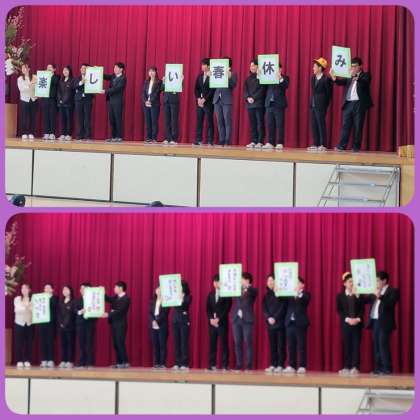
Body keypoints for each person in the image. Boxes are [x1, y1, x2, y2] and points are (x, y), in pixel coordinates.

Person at [330, 57, 373, 152]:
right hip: (348, 104)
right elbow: (341, 82)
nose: (353, 68)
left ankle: (356, 147)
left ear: (360, 66)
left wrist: (356, 77)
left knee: (358, 126)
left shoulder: (366, 75)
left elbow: (365, 83)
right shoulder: (349, 76)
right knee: (345, 125)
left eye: (355, 66)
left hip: (359, 104)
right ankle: (341, 146)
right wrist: (334, 77)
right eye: (352, 66)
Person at [366, 271, 400, 375]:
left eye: (377, 280)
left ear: (384, 281)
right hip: (375, 321)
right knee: (376, 345)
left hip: (385, 323)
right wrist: (357, 293)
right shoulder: (375, 291)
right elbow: (366, 300)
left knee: (383, 345)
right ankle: (378, 368)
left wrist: (380, 296)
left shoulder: (393, 291)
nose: (376, 283)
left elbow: (391, 303)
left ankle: (387, 368)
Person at [336, 272, 365, 375]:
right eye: (349, 281)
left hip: (357, 324)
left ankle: (355, 367)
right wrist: (347, 319)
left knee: (356, 345)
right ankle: (346, 366)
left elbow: (362, 309)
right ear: (344, 283)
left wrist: (357, 319)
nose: (352, 283)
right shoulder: (340, 296)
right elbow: (339, 310)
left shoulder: (359, 295)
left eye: (353, 281)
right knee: (347, 345)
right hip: (346, 324)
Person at [231, 272, 258, 371]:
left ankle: (249, 365)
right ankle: (239, 364)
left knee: (248, 342)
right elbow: (227, 291)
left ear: (247, 280)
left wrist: (247, 286)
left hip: (247, 319)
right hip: (236, 318)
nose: (240, 281)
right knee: (237, 342)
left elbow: (254, 292)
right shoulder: (237, 289)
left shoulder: (252, 290)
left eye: (241, 279)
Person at [284, 277, 311, 374]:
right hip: (290, 323)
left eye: (298, 283)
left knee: (301, 345)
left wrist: (298, 293)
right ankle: (292, 365)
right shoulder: (290, 294)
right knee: (291, 345)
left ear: (302, 285)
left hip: (300, 323)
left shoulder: (306, 294)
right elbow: (281, 299)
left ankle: (302, 366)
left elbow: (306, 300)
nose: (296, 284)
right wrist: (278, 290)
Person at [262, 273, 288, 372]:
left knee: (281, 345)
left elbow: (283, 307)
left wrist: (275, 318)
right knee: (272, 345)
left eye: (271, 280)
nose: (269, 282)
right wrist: (269, 317)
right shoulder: (266, 295)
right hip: (270, 323)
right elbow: (264, 308)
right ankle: (273, 364)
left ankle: (280, 364)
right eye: (268, 280)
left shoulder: (282, 294)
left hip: (280, 322)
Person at [206, 274, 232, 370]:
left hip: (222, 322)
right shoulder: (210, 294)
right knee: (212, 343)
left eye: (218, 281)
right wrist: (211, 319)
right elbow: (208, 308)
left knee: (224, 343)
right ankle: (212, 364)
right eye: (214, 281)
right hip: (212, 323)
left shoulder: (226, 294)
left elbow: (227, 308)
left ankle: (225, 364)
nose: (216, 283)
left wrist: (219, 319)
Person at [103, 281, 131, 368]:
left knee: (120, 342)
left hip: (121, 324)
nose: (114, 289)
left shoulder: (126, 298)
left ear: (120, 288)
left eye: (115, 287)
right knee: (115, 343)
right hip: (114, 323)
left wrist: (109, 314)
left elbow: (120, 311)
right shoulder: (116, 297)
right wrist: (102, 292)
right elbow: (108, 299)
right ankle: (119, 363)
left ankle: (125, 362)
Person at [307, 58, 332, 152]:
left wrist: (325, 105)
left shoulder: (326, 79)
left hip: (321, 105)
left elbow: (329, 94)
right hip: (313, 104)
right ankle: (315, 143)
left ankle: (323, 144)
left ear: (320, 68)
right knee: (314, 124)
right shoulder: (313, 78)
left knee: (321, 124)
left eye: (315, 66)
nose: (313, 68)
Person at [263, 64, 289, 150]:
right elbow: (262, 85)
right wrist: (260, 75)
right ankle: (271, 142)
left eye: (277, 68)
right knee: (270, 124)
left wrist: (280, 77)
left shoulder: (285, 78)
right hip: (269, 104)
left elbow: (286, 85)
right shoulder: (269, 77)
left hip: (279, 104)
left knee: (279, 124)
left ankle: (280, 142)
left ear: (280, 69)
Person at [213, 57, 237, 146]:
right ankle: (221, 139)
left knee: (227, 120)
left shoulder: (233, 73)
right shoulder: (218, 71)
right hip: (217, 99)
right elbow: (213, 84)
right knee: (219, 121)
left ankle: (227, 140)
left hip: (227, 99)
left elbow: (233, 85)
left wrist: (228, 77)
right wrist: (211, 76)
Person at [244, 59, 266, 149]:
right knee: (253, 124)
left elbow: (262, 90)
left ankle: (260, 141)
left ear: (258, 66)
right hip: (250, 104)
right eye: (251, 66)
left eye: (253, 65)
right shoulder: (248, 79)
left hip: (259, 103)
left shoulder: (262, 77)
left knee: (260, 123)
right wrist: (248, 97)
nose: (252, 67)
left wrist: (254, 98)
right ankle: (254, 140)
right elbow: (245, 90)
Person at [74, 282, 97, 368]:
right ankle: (81, 363)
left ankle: (90, 363)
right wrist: (80, 311)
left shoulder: (93, 300)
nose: (81, 290)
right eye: (81, 288)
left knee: (90, 344)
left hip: (90, 324)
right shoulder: (77, 300)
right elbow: (74, 310)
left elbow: (97, 311)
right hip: (80, 324)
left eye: (83, 288)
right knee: (81, 344)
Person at [103, 62, 127, 142]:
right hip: (110, 101)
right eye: (114, 68)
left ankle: (119, 136)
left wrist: (105, 91)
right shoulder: (113, 76)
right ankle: (113, 136)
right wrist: (96, 70)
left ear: (121, 69)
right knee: (111, 119)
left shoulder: (123, 78)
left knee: (117, 119)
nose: (114, 69)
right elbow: (104, 76)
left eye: (116, 68)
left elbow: (116, 89)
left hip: (118, 101)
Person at [194, 58, 215, 146]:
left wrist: (205, 99)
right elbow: (196, 89)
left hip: (208, 102)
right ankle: (198, 139)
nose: (202, 66)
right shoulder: (199, 76)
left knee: (209, 121)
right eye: (202, 65)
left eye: (204, 65)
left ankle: (210, 140)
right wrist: (198, 98)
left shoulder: (212, 76)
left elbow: (212, 89)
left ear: (208, 66)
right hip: (200, 103)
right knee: (199, 121)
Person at [172, 280, 192, 370]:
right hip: (175, 320)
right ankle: (177, 362)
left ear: (183, 287)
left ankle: (184, 363)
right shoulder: (174, 296)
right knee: (177, 342)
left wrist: (180, 298)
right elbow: (175, 306)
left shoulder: (188, 296)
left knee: (184, 342)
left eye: (180, 286)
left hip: (184, 321)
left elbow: (184, 305)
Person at [149, 286, 169, 368]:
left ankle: (162, 363)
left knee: (162, 345)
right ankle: (156, 363)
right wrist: (153, 321)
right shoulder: (152, 301)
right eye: (157, 289)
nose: (158, 290)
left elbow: (165, 313)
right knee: (155, 344)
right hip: (153, 324)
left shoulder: (166, 301)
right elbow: (150, 313)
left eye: (160, 289)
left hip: (162, 324)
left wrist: (157, 321)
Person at [14, 283, 33, 368]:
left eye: (26, 288)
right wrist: (26, 307)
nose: (24, 290)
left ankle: (27, 360)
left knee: (29, 342)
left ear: (29, 290)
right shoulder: (17, 298)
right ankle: (19, 360)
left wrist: (28, 308)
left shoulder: (32, 299)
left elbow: (34, 310)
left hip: (29, 323)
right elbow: (17, 310)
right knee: (19, 342)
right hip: (19, 323)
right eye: (22, 288)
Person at [39, 282, 58, 368]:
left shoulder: (55, 298)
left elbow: (54, 306)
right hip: (42, 322)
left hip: (51, 323)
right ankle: (44, 359)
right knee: (43, 341)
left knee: (50, 341)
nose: (46, 289)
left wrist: (47, 298)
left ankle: (50, 360)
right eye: (45, 288)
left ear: (52, 290)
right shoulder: (40, 298)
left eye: (48, 288)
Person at [73, 63, 94, 142]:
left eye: (84, 68)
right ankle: (79, 135)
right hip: (79, 100)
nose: (83, 69)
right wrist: (81, 82)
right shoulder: (77, 78)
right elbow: (74, 86)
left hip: (88, 99)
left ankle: (88, 136)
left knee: (87, 118)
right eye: (81, 68)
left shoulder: (91, 77)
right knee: (79, 118)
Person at [17, 63, 37, 141]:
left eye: (25, 68)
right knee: (24, 117)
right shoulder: (20, 78)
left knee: (33, 116)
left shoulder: (34, 77)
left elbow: (37, 87)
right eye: (22, 68)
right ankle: (24, 133)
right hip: (24, 99)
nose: (23, 69)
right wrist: (30, 84)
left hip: (33, 99)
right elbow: (22, 89)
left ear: (29, 69)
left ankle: (31, 132)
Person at [57, 285, 76, 368]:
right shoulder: (61, 301)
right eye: (63, 290)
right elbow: (58, 313)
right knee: (63, 344)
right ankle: (63, 360)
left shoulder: (73, 301)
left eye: (66, 289)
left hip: (70, 327)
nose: (64, 291)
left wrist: (65, 323)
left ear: (70, 291)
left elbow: (71, 314)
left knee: (70, 344)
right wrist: (61, 323)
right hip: (61, 327)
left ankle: (70, 361)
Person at [143, 66, 162, 143]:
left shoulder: (159, 82)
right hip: (146, 104)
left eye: (153, 71)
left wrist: (150, 101)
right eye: (150, 71)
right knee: (148, 121)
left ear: (156, 72)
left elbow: (157, 92)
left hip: (154, 104)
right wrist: (145, 101)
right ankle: (148, 137)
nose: (151, 73)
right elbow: (143, 93)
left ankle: (154, 138)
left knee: (154, 121)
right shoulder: (146, 81)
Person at [41, 63, 60, 141]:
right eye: (47, 67)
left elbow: (54, 82)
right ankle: (46, 133)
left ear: (54, 69)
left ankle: (52, 133)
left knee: (52, 116)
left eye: (50, 67)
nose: (48, 68)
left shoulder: (57, 77)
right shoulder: (43, 77)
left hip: (53, 99)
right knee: (46, 116)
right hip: (45, 99)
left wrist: (48, 76)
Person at [162, 72, 183, 145]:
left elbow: (180, 88)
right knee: (167, 120)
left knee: (174, 120)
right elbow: (162, 89)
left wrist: (181, 80)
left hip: (174, 100)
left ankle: (174, 138)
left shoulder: (177, 77)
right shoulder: (166, 77)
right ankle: (167, 137)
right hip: (166, 100)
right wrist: (163, 82)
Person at [57, 65, 75, 142]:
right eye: (64, 70)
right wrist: (60, 100)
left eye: (66, 70)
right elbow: (58, 92)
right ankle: (62, 134)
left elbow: (70, 93)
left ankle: (68, 134)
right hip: (61, 104)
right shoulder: (61, 80)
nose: (65, 71)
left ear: (69, 71)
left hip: (69, 104)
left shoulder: (72, 80)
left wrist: (63, 100)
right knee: (62, 119)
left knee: (69, 119)